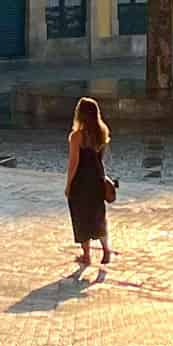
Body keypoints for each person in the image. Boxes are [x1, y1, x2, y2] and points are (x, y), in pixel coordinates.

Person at [64, 95, 114, 266]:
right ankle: (106, 250)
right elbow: (99, 159)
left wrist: (68, 184)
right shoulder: (102, 132)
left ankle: (86, 255)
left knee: (81, 216)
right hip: (97, 178)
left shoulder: (76, 136)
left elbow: (74, 162)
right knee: (98, 215)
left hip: (81, 180)